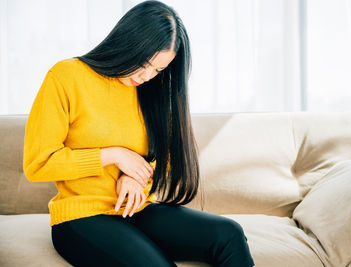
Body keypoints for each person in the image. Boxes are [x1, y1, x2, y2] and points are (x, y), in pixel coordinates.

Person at [23, 1, 255, 266]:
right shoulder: (66, 77)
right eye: (144, 64)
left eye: (158, 70)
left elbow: (160, 154)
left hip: (139, 208)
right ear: (128, 42)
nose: (147, 76)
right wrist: (113, 156)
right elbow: (38, 164)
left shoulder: (151, 91)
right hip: (81, 217)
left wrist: (135, 177)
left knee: (229, 233)